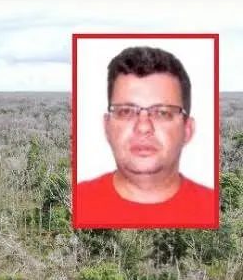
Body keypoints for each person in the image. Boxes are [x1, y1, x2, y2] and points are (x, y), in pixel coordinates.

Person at [75, 46, 216, 228]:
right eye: (126, 111)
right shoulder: (72, 204)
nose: (143, 127)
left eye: (162, 113)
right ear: (107, 127)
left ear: (187, 130)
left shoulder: (218, 210)